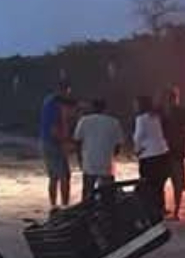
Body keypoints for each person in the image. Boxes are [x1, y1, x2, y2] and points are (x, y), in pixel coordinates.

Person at [72, 98, 124, 202]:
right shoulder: (114, 122)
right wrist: (112, 157)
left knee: (88, 193)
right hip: (106, 163)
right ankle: (108, 214)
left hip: (89, 162)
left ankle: (86, 213)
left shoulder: (84, 120)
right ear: (105, 109)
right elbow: (118, 145)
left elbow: (77, 141)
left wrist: (80, 159)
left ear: (92, 108)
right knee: (108, 195)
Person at [40, 80, 78, 209]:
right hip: (53, 144)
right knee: (64, 176)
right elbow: (54, 130)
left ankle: (54, 206)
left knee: (54, 177)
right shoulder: (55, 106)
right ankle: (65, 207)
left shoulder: (48, 101)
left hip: (46, 142)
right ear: (64, 90)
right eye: (68, 92)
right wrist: (66, 142)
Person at [132, 95, 170, 219]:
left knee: (148, 184)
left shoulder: (141, 119)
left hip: (148, 155)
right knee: (159, 184)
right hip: (162, 153)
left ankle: (150, 210)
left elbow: (138, 137)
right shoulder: (157, 117)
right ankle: (160, 208)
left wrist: (136, 151)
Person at [160, 86, 185, 219]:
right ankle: (175, 211)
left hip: (167, 152)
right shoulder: (179, 113)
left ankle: (169, 210)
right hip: (175, 152)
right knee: (176, 183)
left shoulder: (164, 114)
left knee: (164, 182)